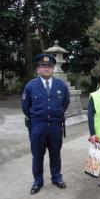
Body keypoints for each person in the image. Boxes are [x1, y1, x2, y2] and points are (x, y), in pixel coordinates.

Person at [22, 54, 70, 194]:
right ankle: (38, 181)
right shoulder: (31, 86)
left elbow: (65, 104)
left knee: (55, 153)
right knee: (37, 155)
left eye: (49, 66)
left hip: (55, 126)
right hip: (38, 127)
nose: (46, 69)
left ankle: (56, 178)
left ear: (53, 68)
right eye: (43, 66)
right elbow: (26, 107)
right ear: (38, 69)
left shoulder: (61, 85)